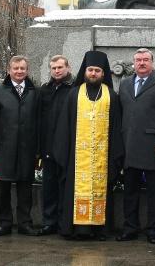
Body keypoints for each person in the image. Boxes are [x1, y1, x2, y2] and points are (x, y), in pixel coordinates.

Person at [53, 50, 124, 240]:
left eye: (97, 71)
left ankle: (99, 230)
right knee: (74, 191)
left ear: (103, 73)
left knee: (102, 190)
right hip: (77, 161)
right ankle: (77, 229)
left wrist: (115, 156)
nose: (93, 73)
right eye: (90, 70)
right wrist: (64, 154)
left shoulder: (111, 96)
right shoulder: (74, 94)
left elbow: (117, 129)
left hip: (102, 159)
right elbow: (64, 127)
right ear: (84, 71)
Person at [117, 48, 155, 244]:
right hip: (129, 145)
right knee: (130, 191)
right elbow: (121, 114)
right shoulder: (124, 84)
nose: (141, 63)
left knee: (154, 193)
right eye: (138, 60)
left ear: (152, 62)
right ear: (134, 63)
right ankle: (130, 228)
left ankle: (153, 230)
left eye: (145, 60)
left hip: (153, 147)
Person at [0, 56, 41, 237]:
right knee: (3, 190)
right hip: (3, 150)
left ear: (27, 70)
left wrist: (38, 150)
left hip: (27, 150)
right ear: (9, 70)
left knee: (25, 190)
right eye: (15, 68)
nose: (19, 71)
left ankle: (25, 223)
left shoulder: (35, 92)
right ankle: (3, 223)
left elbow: (39, 122)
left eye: (22, 68)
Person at [38, 54, 74, 235]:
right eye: (54, 68)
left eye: (60, 67)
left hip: (68, 147)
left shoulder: (75, 89)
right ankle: (49, 221)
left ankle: (63, 222)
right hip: (49, 146)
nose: (57, 71)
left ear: (68, 68)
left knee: (65, 186)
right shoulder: (45, 90)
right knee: (49, 186)